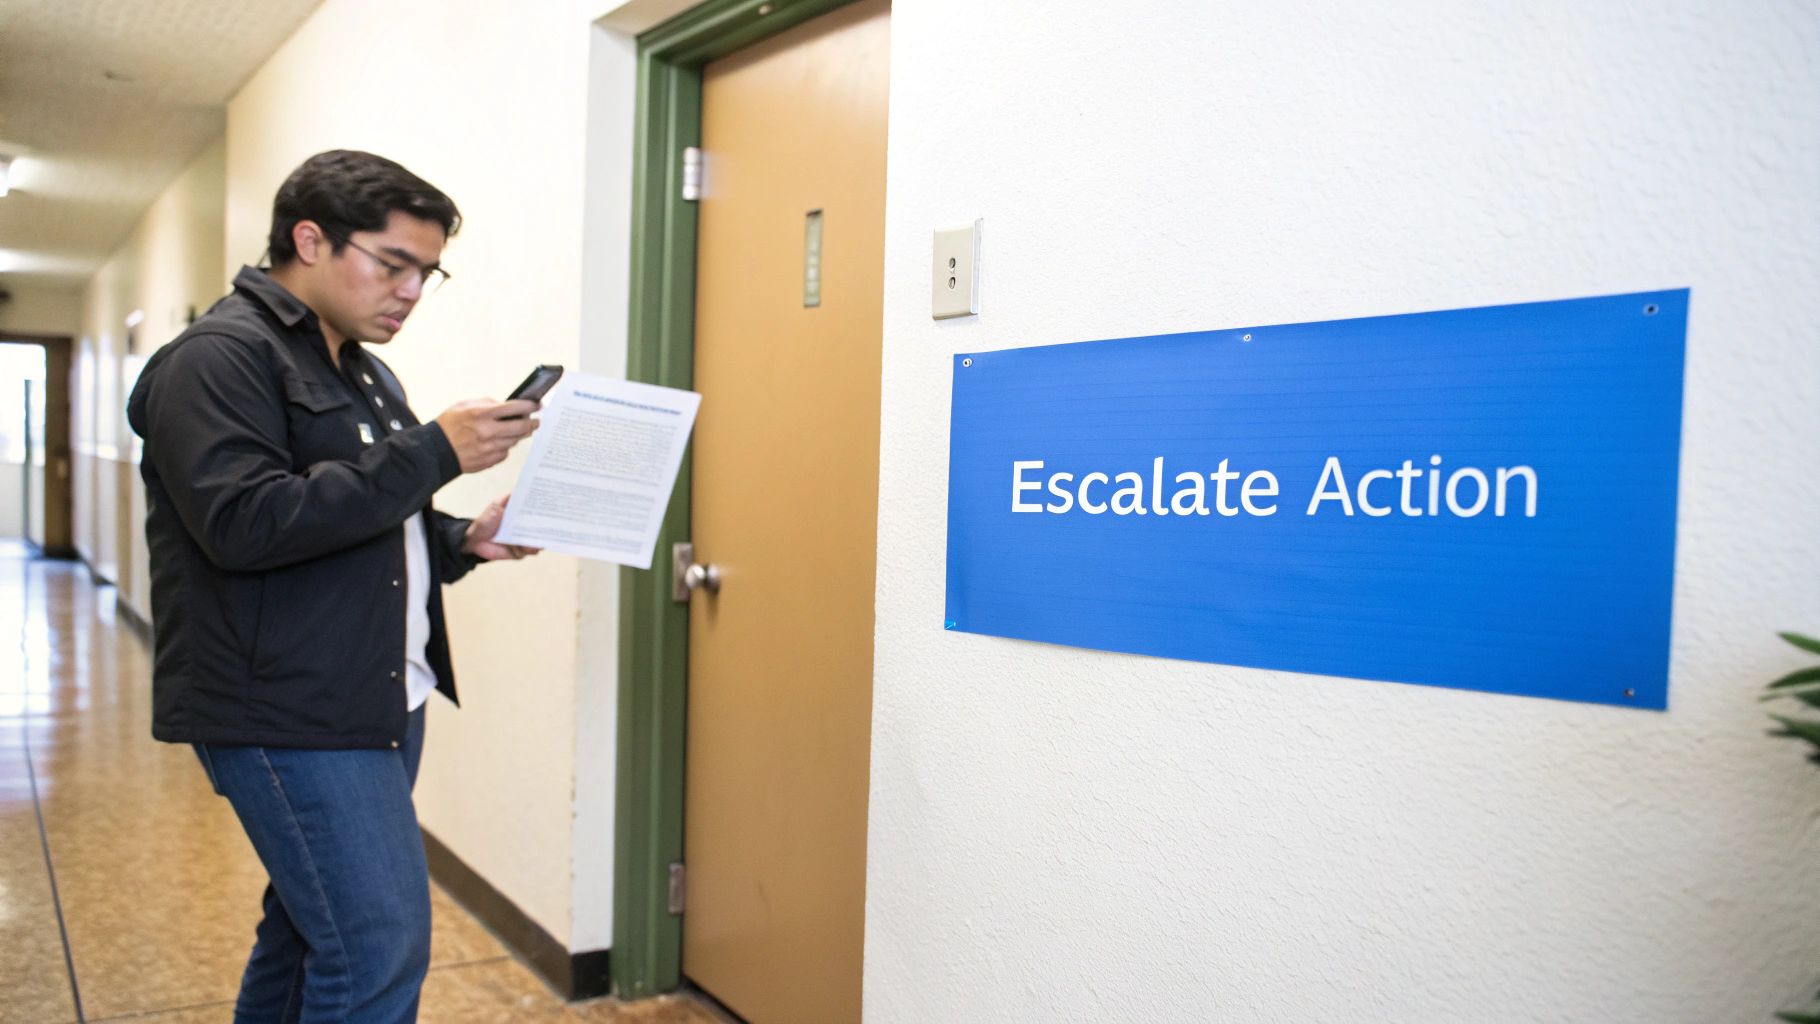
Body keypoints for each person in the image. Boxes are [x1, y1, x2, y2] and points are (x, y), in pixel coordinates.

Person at [125, 149, 539, 1022]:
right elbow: (243, 522)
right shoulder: (218, 358)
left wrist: (462, 537)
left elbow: (363, 521)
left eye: (427, 273)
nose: (411, 292)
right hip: (287, 709)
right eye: (393, 264)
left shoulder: (360, 368)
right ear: (309, 240)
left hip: (380, 695)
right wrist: (435, 449)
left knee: (310, 938)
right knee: (378, 950)